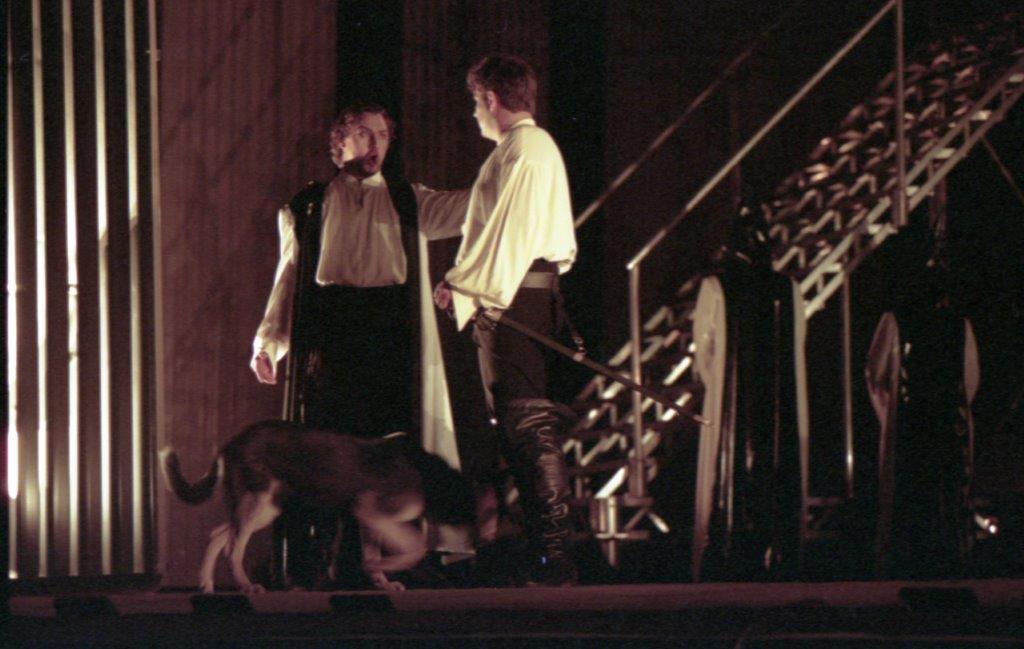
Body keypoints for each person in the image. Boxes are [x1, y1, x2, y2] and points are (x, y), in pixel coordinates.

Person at [251, 103, 468, 588]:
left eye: (383, 136)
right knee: (326, 452)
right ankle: (317, 564)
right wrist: (269, 342)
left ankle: (371, 565)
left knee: (384, 458)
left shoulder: (409, 200)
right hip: (331, 335)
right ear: (339, 143)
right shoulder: (308, 205)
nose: (375, 145)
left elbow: (476, 207)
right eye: (364, 134)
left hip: (389, 337)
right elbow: (288, 277)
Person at [433, 54, 579, 586]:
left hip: (517, 297)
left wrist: (464, 282)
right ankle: (545, 552)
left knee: (527, 423)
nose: (474, 113)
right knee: (518, 425)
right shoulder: (520, 150)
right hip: (516, 294)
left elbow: (509, 233)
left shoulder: (527, 149)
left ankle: (555, 554)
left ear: (491, 99)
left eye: (476, 102)